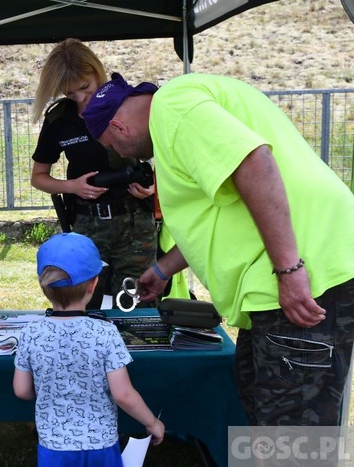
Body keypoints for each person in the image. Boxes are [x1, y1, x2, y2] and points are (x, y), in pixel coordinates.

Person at [82, 72, 354, 428]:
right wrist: (164, 270)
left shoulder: (174, 106)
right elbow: (219, 212)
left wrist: (290, 269)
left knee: (293, 431)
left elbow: (253, 162)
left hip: (304, 273)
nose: (119, 154)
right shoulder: (180, 114)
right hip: (273, 283)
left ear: (118, 127)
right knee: (258, 407)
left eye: (112, 147)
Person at [13, 232, 164, 466]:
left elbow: (22, 391)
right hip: (100, 444)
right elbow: (123, 394)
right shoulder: (106, 333)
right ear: (93, 285)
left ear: (44, 286)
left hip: (54, 446)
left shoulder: (31, 333)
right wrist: (152, 423)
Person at [30, 38, 157, 309]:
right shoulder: (59, 121)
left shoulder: (129, 105)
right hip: (88, 226)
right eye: (69, 94)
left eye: (85, 88)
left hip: (135, 224)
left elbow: (169, 160)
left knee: (137, 306)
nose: (80, 99)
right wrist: (72, 186)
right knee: (85, 304)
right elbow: (38, 176)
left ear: (96, 72)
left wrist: (154, 188)